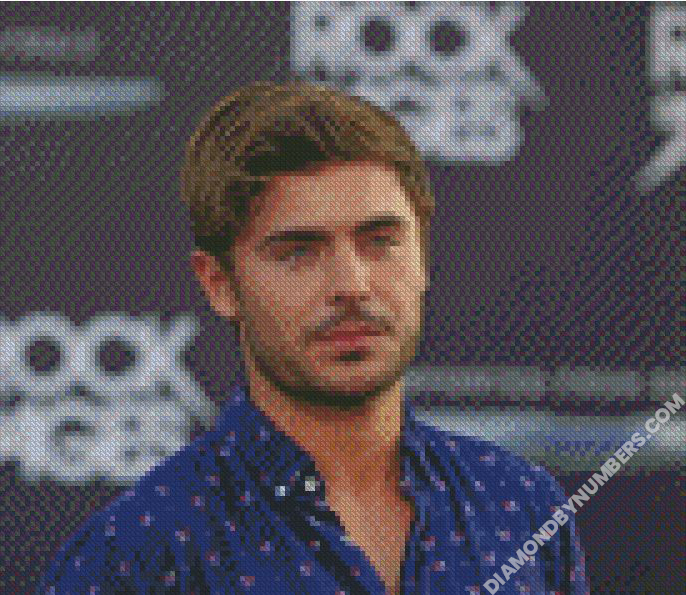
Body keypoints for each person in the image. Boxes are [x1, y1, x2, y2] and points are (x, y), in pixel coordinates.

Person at [36, 80, 588, 594]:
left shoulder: (521, 505)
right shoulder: (137, 552)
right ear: (220, 283)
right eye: (298, 251)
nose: (352, 285)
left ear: (423, 256)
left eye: (380, 241)